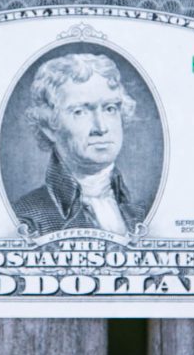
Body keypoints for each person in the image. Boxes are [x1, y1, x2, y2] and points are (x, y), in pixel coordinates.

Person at [13, 53, 145, 236]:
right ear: (49, 126)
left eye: (110, 109)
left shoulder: (139, 213)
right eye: (80, 111)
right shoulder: (27, 217)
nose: (101, 127)